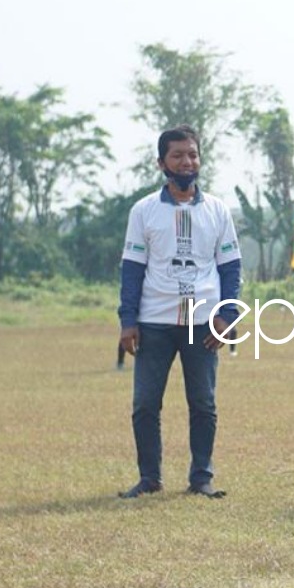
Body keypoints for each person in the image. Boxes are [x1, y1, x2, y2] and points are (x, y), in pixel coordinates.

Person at [117, 125, 242, 500]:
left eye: (192, 154)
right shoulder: (144, 211)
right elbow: (132, 269)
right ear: (161, 163)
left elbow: (231, 268)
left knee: (203, 403)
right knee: (144, 404)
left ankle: (201, 477)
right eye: (177, 155)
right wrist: (127, 321)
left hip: (203, 323)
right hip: (154, 323)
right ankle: (149, 478)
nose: (186, 161)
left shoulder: (218, 210)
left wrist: (226, 317)